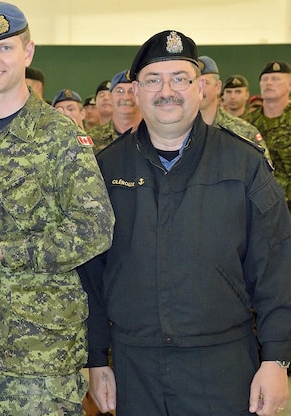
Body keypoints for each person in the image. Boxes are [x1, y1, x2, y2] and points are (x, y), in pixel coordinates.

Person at [79, 30, 291, 416]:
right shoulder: (106, 170)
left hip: (223, 364)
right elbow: (89, 276)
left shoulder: (244, 164)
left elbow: (277, 266)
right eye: (153, 80)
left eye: (180, 78)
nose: (167, 91)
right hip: (135, 366)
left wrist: (276, 359)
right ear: (136, 92)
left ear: (200, 88)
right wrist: (96, 357)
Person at [0, 1, 115, 416]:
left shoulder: (59, 135)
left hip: (40, 353)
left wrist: (5, 250)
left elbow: (96, 226)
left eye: (5, 48)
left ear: (28, 52)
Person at [197, 56, 271, 162]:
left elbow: (264, 175)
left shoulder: (243, 132)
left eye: (205, 83)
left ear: (218, 87)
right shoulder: (177, 132)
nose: (199, 89)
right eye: (194, 83)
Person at [244, 60, 291, 210]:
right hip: (260, 206)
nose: (268, 83)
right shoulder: (247, 124)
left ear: (289, 85)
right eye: (264, 79)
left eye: (276, 79)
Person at [89, 70, 141, 154]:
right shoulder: (92, 138)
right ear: (110, 96)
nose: (126, 97)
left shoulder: (155, 135)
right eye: (120, 91)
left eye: (132, 91)